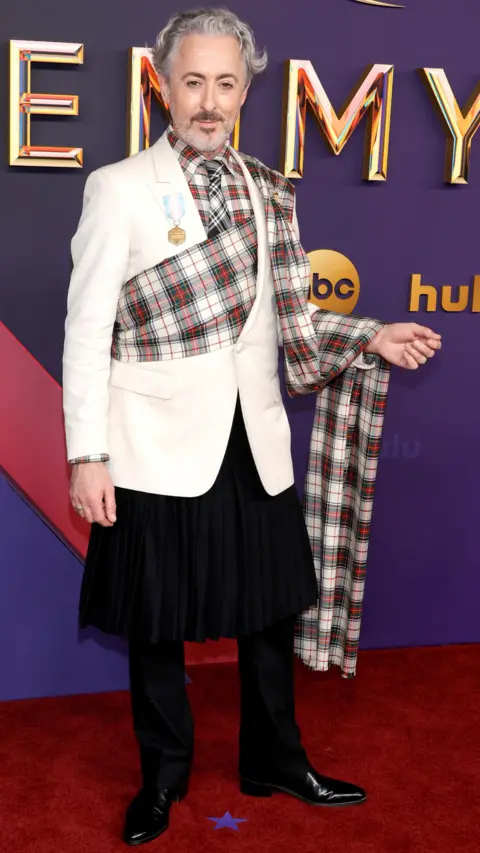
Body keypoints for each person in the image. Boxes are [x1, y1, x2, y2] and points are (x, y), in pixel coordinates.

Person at [62, 7, 441, 846]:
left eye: (225, 83)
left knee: (269, 611)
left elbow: (289, 318)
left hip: (253, 432)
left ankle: (276, 757)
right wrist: (87, 452)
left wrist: (367, 334)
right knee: (157, 619)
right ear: (163, 84)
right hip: (154, 442)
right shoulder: (119, 187)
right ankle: (162, 780)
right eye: (192, 81)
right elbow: (87, 330)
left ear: (245, 89)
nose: (209, 100)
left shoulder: (269, 187)